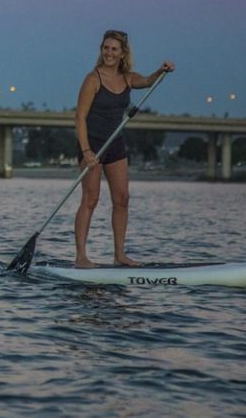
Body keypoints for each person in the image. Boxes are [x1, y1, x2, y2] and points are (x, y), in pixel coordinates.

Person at [74, 30, 175, 268]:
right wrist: (86, 150)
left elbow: (148, 81)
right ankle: (81, 257)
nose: (109, 53)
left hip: (115, 143)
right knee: (91, 200)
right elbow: (79, 117)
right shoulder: (92, 79)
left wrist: (162, 70)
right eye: (106, 48)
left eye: (114, 49)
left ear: (122, 54)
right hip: (93, 143)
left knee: (122, 199)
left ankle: (119, 255)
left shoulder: (128, 78)